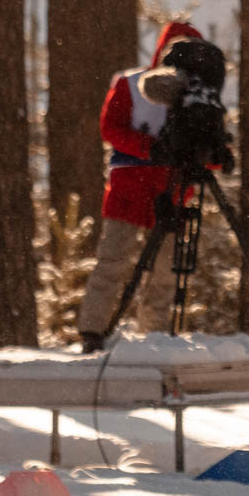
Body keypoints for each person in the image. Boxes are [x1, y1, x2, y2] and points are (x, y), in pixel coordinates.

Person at [76, 20, 211, 352]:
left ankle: (154, 337)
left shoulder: (199, 98)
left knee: (164, 272)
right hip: (130, 187)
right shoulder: (131, 83)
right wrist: (149, 148)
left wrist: (208, 154)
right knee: (113, 261)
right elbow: (111, 128)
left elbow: (208, 150)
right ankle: (94, 332)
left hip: (173, 189)